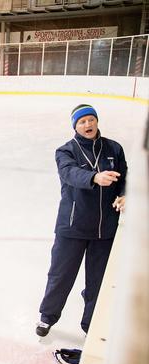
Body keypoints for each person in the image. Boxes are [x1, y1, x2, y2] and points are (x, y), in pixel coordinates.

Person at [36, 104, 127, 337]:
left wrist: (125, 194)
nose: (87, 124)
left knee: (98, 281)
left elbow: (126, 178)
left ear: (97, 121)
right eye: (82, 122)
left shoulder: (114, 148)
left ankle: (91, 325)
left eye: (91, 120)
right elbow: (69, 173)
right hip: (72, 225)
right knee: (60, 274)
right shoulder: (66, 151)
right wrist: (95, 177)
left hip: (104, 228)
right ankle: (48, 316)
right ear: (75, 126)